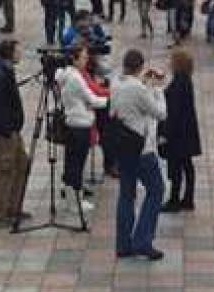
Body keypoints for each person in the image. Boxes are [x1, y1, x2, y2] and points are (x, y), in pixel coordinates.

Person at [110, 48, 168, 260]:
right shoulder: (139, 90)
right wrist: (158, 89)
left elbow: (130, 84)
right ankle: (143, 240)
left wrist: (144, 80)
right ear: (140, 66)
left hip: (122, 145)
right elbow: (160, 113)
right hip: (142, 149)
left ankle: (123, 244)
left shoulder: (116, 82)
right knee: (156, 190)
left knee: (127, 194)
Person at [54, 45, 109, 210]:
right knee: (76, 164)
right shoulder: (76, 78)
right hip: (80, 125)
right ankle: (75, 201)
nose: (87, 61)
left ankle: (72, 199)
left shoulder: (66, 75)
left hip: (72, 123)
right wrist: (111, 101)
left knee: (72, 163)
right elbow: (93, 99)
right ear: (74, 59)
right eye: (84, 57)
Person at [0, 40, 29, 225]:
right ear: (10, 53)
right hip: (6, 132)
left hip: (13, 129)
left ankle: (14, 206)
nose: (21, 54)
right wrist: (5, 130)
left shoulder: (6, 71)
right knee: (7, 169)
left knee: (22, 164)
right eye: (18, 51)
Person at [160, 48, 201, 213]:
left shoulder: (179, 82)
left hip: (179, 133)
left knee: (176, 166)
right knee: (187, 165)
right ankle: (188, 198)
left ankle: (175, 199)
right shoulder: (185, 80)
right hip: (187, 130)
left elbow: (174, 112)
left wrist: (165, 133)